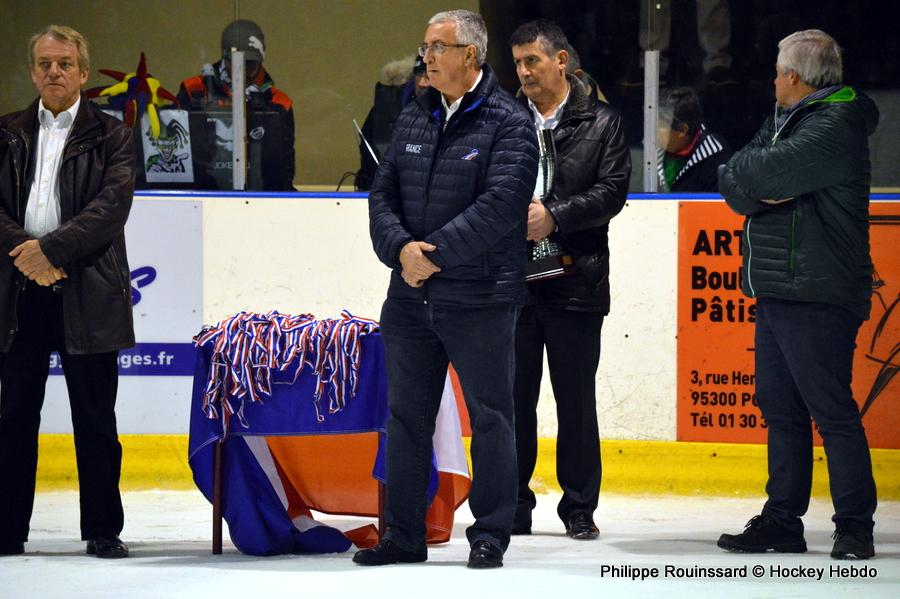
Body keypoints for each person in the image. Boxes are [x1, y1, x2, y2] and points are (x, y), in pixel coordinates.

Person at [355, 10, 538, 569]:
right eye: (425, 46)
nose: (427, 56)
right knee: (406, 418)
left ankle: (489, 533)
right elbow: (380, 194)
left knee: (491, 417)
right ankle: (404, 536)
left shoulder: (509, 121)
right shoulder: (416, 112)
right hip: (410, 298)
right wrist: (400, 252)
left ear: (471, 56)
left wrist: (427, 258)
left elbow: (501, 207)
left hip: (480, 297)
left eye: (439, 47)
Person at [718, 29, 879, 560]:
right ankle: (782, 520)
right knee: (781, 408)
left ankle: (854, 525)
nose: (771, 81)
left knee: (830, 409)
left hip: (819, 287)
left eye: (776, 72)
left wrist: (758, 180)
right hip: (778, 286)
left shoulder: (836, 122)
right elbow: (735, 179)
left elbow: (758, 170)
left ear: (793, 76)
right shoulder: (785, 119)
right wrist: (757, 183)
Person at [0, 25, 136, 558]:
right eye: (44, 64)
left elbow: (111, 208)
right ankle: (8, 529)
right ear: (33, 71)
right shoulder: (6, 131)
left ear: (83, 73)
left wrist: (50, 253)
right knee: (13, 417)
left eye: (64, 64)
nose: (53, 72)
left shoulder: (114, 134)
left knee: (96, 417)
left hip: (89, 290)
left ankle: (102, 529)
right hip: (19, 290)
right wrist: (28, 256)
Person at [508, 19, 630, 541]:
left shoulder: (604, 122)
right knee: (512, 399)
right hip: (512, 282)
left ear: (561, 61)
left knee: (575, 400)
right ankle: (511, 504)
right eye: (517, 63)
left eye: (532, 60)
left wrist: (554, 215)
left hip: (576, 279)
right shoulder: (506, 119)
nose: (524, 72)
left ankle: (579, 507)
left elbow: (613, 192)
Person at [177, 19, 295, 190]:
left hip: (259, 195)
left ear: (261, 59)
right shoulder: (194, 90)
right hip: (203, 192)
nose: (244, 70)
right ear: (225, 58)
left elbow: (285, 169)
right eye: (237, 62)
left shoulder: (279, 103)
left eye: (251, 63)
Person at [355, 55, 429, 191]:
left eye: (429, 75)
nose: (422, 83)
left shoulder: (455, 111)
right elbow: (369, 156)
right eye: (419, 74)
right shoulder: (386, 108)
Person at [657, 87, 732, 192]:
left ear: (682, 130)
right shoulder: (647, 151)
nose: (651, 130)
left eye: (660, 125)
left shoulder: (717, 157)